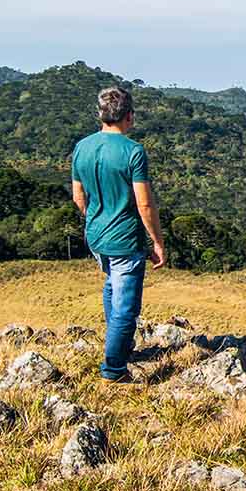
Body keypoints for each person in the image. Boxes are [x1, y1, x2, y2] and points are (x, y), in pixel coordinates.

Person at [70, 86, 166, 381]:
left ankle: (121, 347)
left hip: (96, 236)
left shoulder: (82, 147)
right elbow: (145, 203)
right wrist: (158, 242)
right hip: (124, 239)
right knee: (126, 308)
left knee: (113, 284)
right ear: (129, 116)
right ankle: (113, 370)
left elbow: (78, 197)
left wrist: (95, 219)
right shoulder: (133, 151)